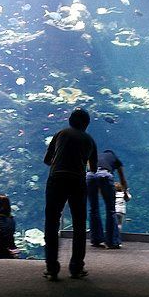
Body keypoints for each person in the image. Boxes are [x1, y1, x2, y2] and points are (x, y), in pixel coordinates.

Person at [43, 108, 97, 280]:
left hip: (57, 179)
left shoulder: (61, 133)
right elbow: (93, 168)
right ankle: (76, 268)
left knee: (52, 223)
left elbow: (47, 160)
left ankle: (52, 268)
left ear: (70, 120)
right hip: (77, 182)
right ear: (86, 124)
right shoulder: (90, 140)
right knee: (79, 225)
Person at [86, 149, 129, 249]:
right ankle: (112, 242)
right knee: (111, 210)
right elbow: (122, 179)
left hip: (90, 175)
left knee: (93, 209)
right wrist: (125, 193)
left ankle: (96, 239)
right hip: (105, 174)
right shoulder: (114, 158)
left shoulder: (97, 156)